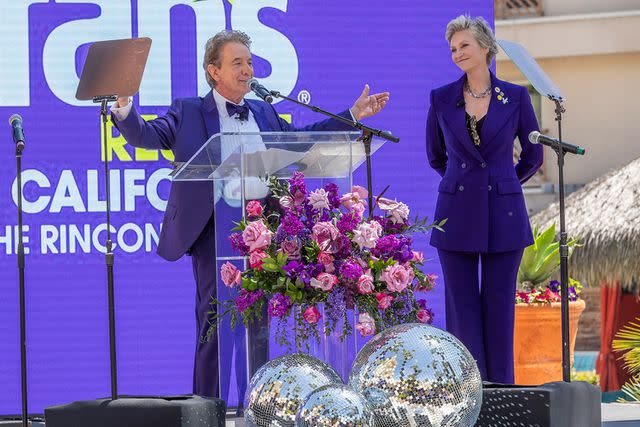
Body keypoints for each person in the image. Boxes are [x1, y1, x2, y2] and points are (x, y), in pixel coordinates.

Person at [110, 29, 389, 397]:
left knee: (255, 326)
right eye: (237, 63)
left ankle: (256, 406)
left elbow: (301, 140)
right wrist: (125, 109)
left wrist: (351, 115)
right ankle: (206, 409)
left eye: (250, 62)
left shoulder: (263, 109)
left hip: (263, 229)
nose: (247, 70)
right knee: (215, 323)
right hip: (215, 228)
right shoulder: (189, 110)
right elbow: (147, 136)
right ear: (214, 70)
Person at [425, 15, 543, 383]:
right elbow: (435, 155)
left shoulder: (517, 96)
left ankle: (501, 394)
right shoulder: (441, 97)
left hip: (504, 213)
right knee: (461, 308)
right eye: (453, 48)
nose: (457, 53)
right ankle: (469, 393)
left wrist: (502, 182)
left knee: (499, 306)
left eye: (464, 46)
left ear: (485, 48)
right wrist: (467, 183)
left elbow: (534, 154)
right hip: (456, 213)